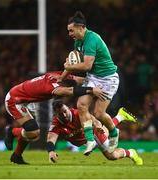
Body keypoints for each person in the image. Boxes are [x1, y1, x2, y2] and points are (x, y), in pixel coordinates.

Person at [4, 71, 104, 164]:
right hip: (14, 100)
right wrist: (92, 90)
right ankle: (12, 131)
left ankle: (17, 156)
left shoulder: (60, 75)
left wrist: (99, 82)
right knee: (34, 132)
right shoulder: (52, 87)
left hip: (27, 99)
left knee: (31, 131)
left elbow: (78, 80)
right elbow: (69, 91)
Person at [59, 11, 120, 155]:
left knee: (99, 113)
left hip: (108, 78)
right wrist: (62, 78)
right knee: (81, 105)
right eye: (68, 31)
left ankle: (113, 131)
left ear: (81, 27)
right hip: (93, 77)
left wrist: (68, 68)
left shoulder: (92, 39)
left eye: (71, 30)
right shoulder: (78, 41)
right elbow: (72, 61)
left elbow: (86, 66)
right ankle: (90, 140)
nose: (69, 33)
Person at [46, 100, 143, 165]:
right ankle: (120, 117)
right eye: (60, 114)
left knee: (111, 155)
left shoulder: (78, 113)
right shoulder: (56, 124)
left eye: (65, 111)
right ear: (56, 115)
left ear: (68, 108)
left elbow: (93, 119)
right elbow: (51, 139)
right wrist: (51, 151)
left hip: (93, 135)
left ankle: (130, 153)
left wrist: (97, 123)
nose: (64, 115)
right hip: (86, 141)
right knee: (105, 134)